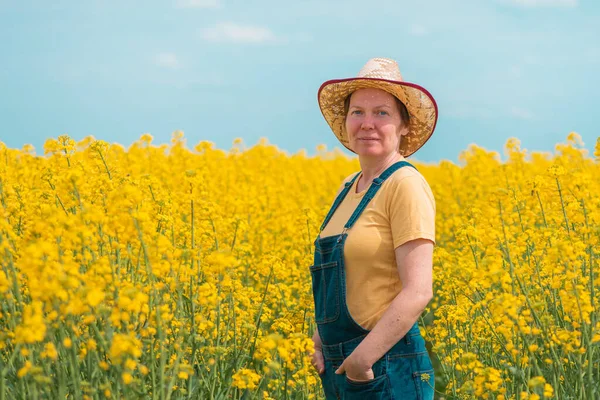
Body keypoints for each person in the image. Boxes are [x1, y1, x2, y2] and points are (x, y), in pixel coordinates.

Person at [310, 57, 438, 399]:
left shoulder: (405, 184)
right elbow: (343, 278)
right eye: (358, 112)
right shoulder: (346, 187)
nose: (367, 123)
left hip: (386, 365)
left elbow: (418, 290)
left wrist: (362, 361)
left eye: (381, 113)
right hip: (340, 366)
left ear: (404, 125)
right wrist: (320, 341)